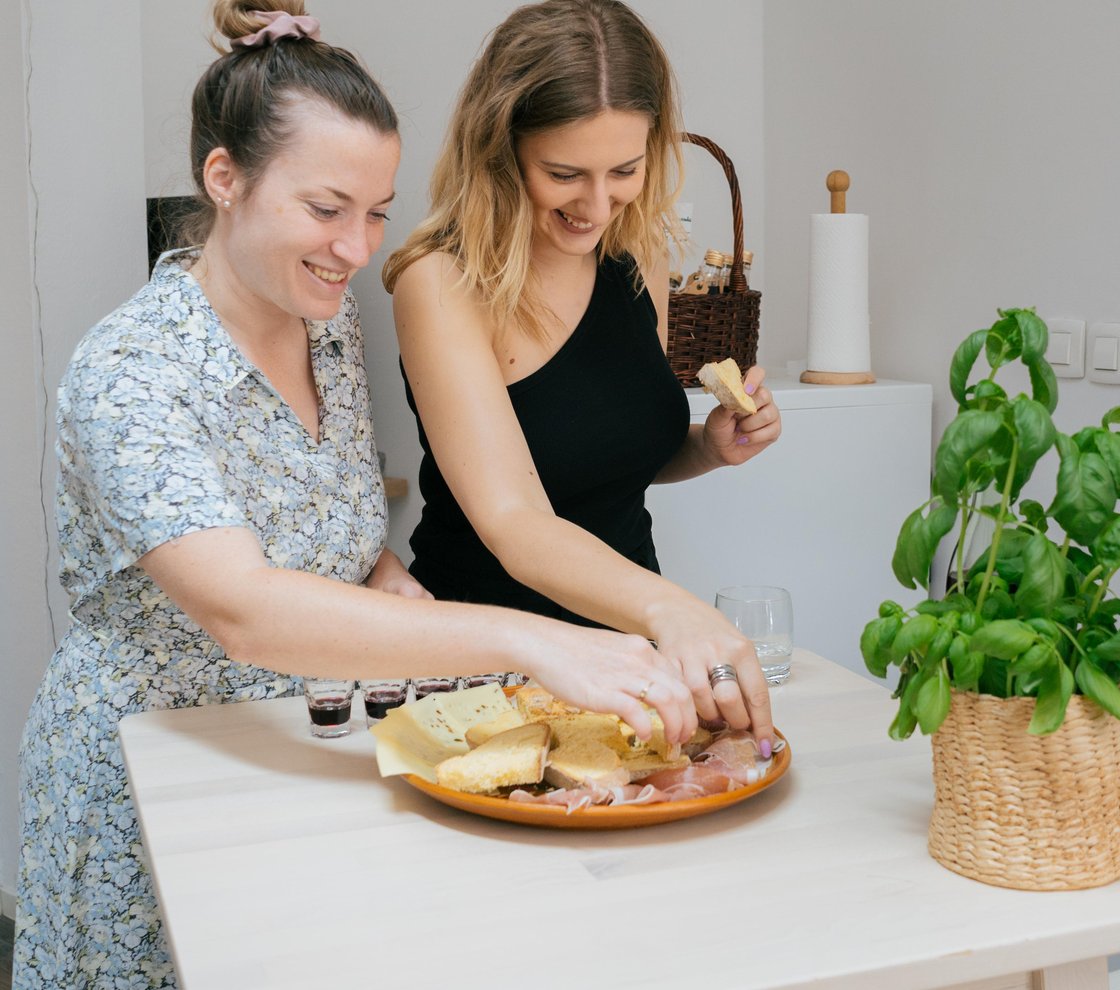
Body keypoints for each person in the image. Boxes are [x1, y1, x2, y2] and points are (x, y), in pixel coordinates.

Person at [12, 4, 694, 988]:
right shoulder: (133, 365)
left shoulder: (321, 327)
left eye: (375, 211)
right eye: (327, 207)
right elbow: (244, 607)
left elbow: (311, 520)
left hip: (304, 746)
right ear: (225, 179)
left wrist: (380, 571)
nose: (359, 246)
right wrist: (530, 637)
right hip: (154, 773)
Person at [383, 0, 781, 752]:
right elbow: (517, 522)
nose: (597, 205)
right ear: (499, 152)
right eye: (564, 174)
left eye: (624, 170)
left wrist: (704, 446)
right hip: (483, 675)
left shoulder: (641, 253)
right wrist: (677, 613)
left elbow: (601, 456)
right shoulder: (439, 283)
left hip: (632, 669)